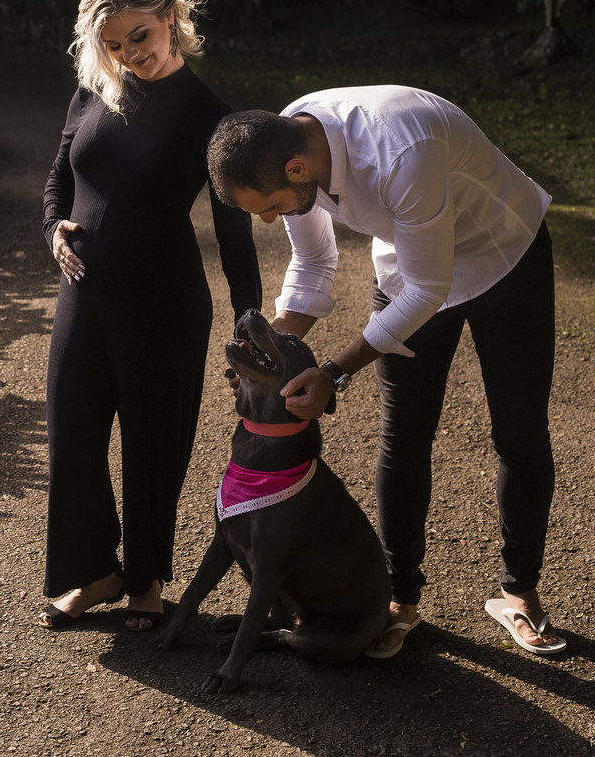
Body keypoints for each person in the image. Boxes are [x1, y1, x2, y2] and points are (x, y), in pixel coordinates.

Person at [206, 86, 566, 657]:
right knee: (404, 435)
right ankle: (399, 599)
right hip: (412, 258)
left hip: (504, 253)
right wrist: (269, 356)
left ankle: (519, 593)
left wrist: (333, 372)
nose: (271, 220)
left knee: (519, 433)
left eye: (271, 206)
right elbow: (314, 260)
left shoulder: (400, 149)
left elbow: (431, 288)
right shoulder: (291, 145)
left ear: (297, 169)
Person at [38, 0, 262, 632]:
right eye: (112, 43)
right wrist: (52, 230)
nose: (127, 54)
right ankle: (96, 571)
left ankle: (145, 581)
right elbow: (57, 180)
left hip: (164, 307)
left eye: (138, 36)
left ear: (171, 18)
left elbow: (236, 237)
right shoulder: (93, 92)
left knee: (152, 441)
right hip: (84, 297)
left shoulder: (210, 117)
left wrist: (250, 327)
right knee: (72, 437)